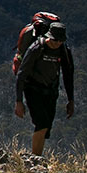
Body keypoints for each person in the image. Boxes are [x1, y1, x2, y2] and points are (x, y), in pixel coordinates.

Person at [15, 20, 75, 157]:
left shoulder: (63, 51)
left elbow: (68, 75)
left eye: (60, 41)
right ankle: (35, 160)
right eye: (54, 40)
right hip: (33, 89)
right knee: (41, 123)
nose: (56, 43)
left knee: (46, 127)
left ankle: (36, 158)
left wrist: (71, 100)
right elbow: (21, 75)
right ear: (49, 36)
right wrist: (19, 101)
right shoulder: (37, 48)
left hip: (51, 91)